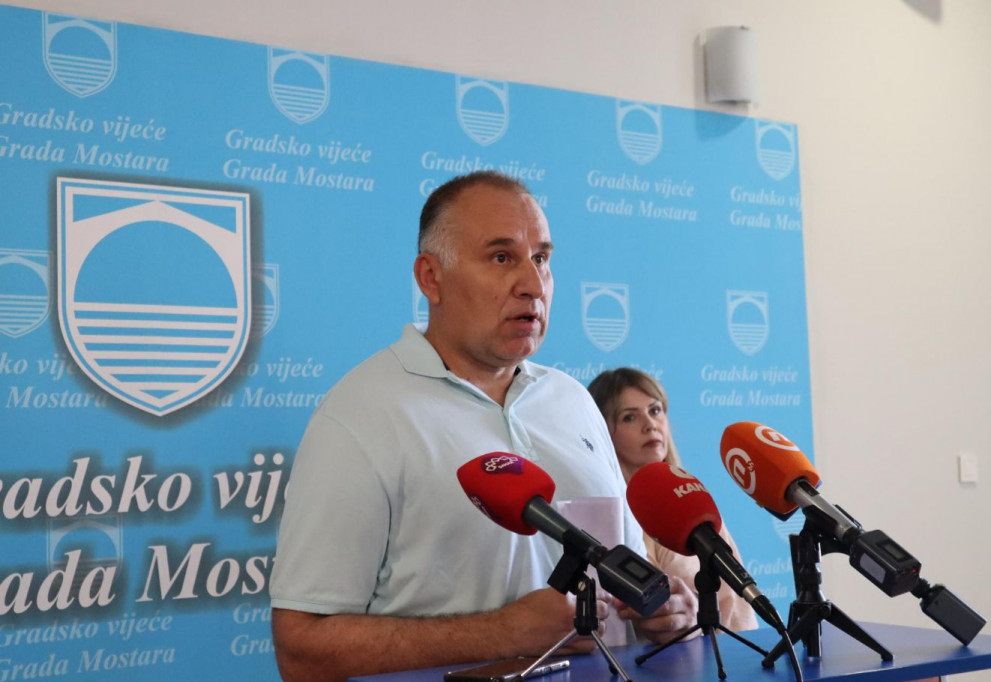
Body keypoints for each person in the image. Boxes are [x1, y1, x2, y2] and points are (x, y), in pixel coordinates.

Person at [269, 172, 696, 681]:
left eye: (541, 259)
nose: (533, 284)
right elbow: (302, 651)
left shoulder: (574, 402)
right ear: (431, 277)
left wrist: (663, 614)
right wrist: (502, 633)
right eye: (501, 258)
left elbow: (627, 583)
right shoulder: (359, 413)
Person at [587, 368, 758, 633]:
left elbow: (738, 607)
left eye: (655, 411)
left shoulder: (692, 502)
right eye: (629, 417)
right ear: (604, 432)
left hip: (727, 651)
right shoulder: (605, 515)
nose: (650, 425)